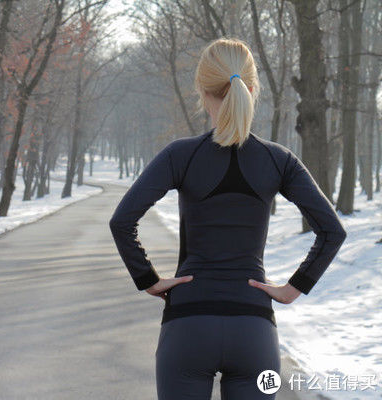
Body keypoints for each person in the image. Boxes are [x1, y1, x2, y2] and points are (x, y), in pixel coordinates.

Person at [108, 37, 347, 400]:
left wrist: (150, 280)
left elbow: (122, 221)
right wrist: (292, 288)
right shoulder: (278, 160)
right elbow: (332, 230)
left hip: (187, 327)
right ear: (252, 89)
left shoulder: (180, 155)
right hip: (254, 331)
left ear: (203, 92)